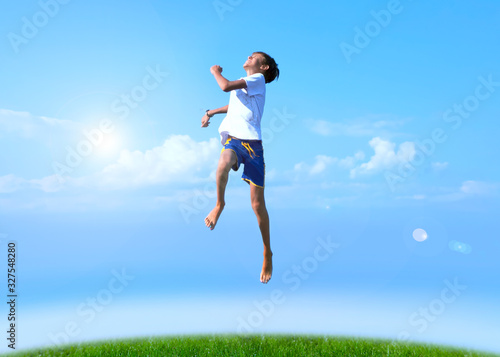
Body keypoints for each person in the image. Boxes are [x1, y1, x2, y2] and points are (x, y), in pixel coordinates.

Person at [201, 52, 280, 284]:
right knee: (223, 163)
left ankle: (267, 251)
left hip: (253, 146)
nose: (248, 57)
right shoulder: (247, 86)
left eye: (253, 56)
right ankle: (219, 204)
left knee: (257, 205)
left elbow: (225, 86)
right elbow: (233, 104)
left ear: (263, 67)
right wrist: (210, 112)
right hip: (234, 141)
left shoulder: (257, 80)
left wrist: (215, 71)